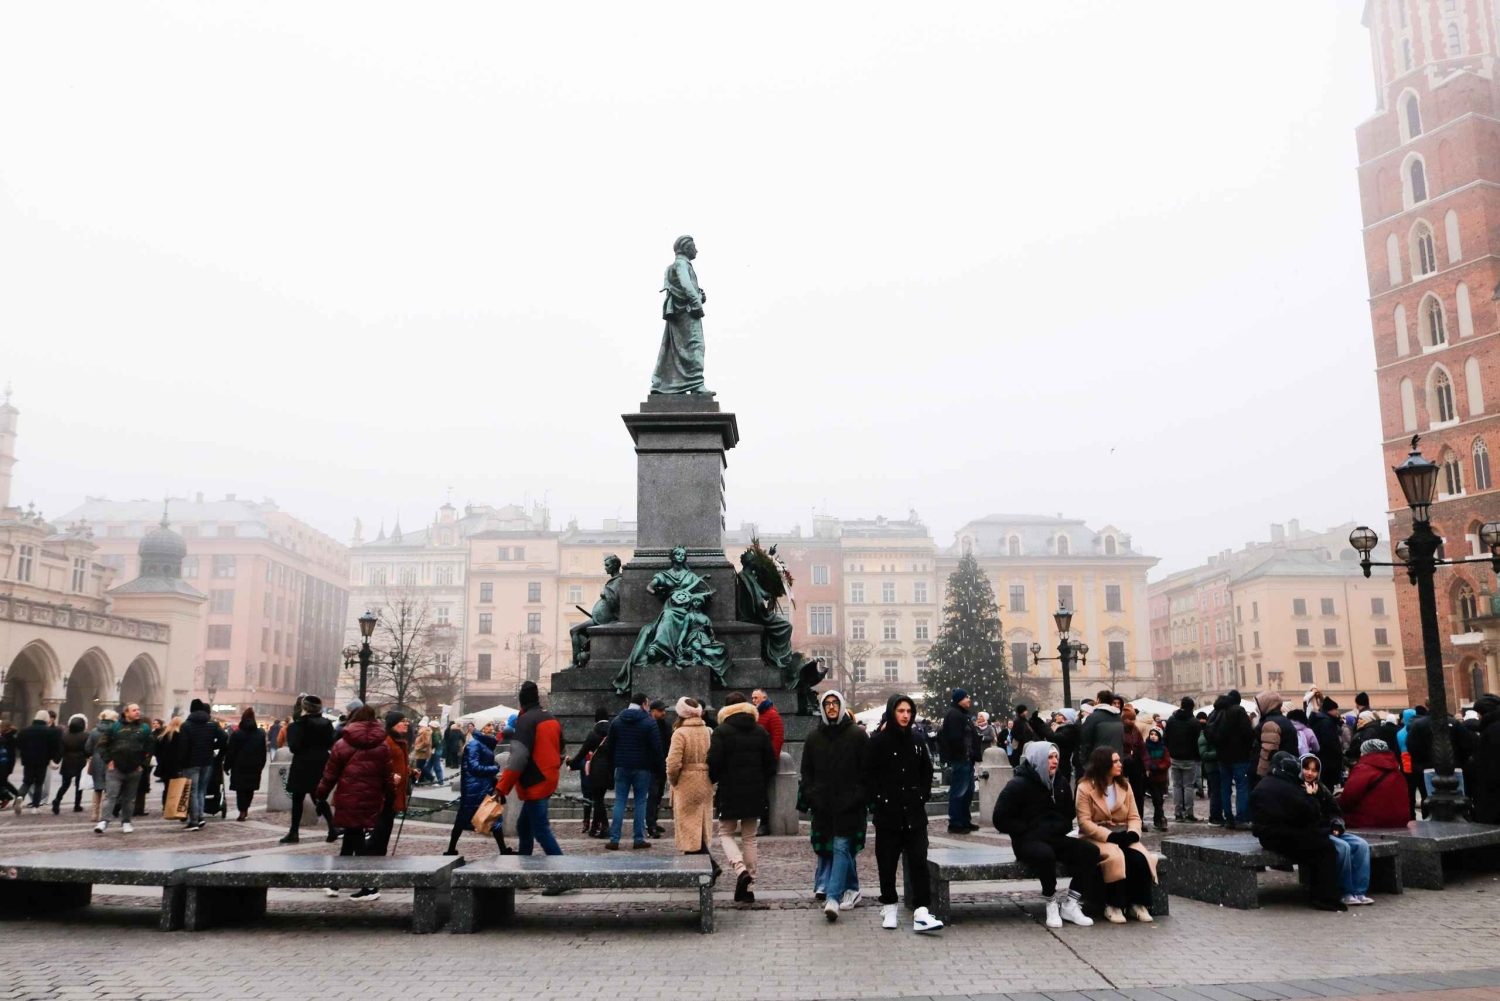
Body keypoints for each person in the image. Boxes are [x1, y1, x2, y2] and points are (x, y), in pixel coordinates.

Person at [862, 692, 944, 933]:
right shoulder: (877, 742)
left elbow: (926, 770)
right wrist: (876, 802)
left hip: (914, 813)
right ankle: (889, 905)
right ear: (892, 712)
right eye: (901, 711)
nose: (905, 715)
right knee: (887, 863)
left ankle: (921, 910)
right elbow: (868, 775)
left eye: (909, 711)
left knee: (919, 861)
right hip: (888, 813)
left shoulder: (917, 739)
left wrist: (922, 795)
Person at [994, 739, 1098, 928]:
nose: (1055, 761)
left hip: (1054, 838)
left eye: (1056, 757)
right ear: (1039, 760)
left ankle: (1071, 904)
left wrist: (1059, 827)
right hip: (1027, 841)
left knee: (1090, 851)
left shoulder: (1061, 782)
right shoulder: (1018, 784)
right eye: (1050, 757)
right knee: (1045, 855)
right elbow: (1000, 818)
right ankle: (1051, 902)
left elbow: (1068, 814)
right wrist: (1025, 830)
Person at [1249, 751, 1345, 911]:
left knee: (1318, 844)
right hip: (1286, 837)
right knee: (1325, 849)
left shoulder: (1263, 785)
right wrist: (1311, 796)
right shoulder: (1288, 787)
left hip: (1267, 837)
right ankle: (1325, 898)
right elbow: (1311, 812)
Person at [801, 689, 868, 921]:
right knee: (839, 850)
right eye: (827, 703)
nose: (831, 707)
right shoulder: (813, 737)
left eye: (835, 703)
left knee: (841, 847)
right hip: (823, 806)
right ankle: (854, 889)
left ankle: (832, 897)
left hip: (849, 805)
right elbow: (806, 771)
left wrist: (858, 795)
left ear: (841, 706)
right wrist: (812, 794)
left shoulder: (857, 735)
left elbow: (866, 770)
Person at [315, 705, 394, 900]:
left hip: (348, 797)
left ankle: (368, 887)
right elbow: (388, 776)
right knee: (352, 838)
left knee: (356, 841)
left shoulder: (342, 744)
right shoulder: (382, 745)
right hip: (372, 798)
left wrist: (321, 794)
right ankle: (338, 883)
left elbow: (330, 774)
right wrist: (390, 797)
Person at [1075, 747, 1158, 924]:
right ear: (1103, 764)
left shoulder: (1124, 786)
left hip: (1124, 833)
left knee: (1140, 857)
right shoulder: (1084, 787)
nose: (1120, 764)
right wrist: (1110, 837)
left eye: (1119, 760)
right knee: (1116, 857)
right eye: (1115, 761)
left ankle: (1138, 903)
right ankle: (1113, 904)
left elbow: (1134, 816)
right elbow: (1084, 822)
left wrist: (1133, 834)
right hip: (1097, 837)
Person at [710, 691, 776, 903]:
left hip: (729, 790)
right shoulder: (759, 730)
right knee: (749, 837)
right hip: (755, 791)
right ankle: (750, 886)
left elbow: (714, 763)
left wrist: (715, 779)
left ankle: (740, 870)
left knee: (725, 833)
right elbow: (770, 763)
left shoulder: (721, 731)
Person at [496, 680, 566, 859]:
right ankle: (525, 864)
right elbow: (562, 752)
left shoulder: (525, 721)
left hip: (535, 781)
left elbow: (517, 758)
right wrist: (551, 768)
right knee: (524, 826)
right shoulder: (551, 718)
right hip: (548, 777)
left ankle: (562, 870)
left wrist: (502, 787)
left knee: (541, 829)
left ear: (522, 701)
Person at [1300, 754, 1372, 906]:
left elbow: (1335, 811)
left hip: (1329, 829)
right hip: (1315, 832)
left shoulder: (1321, 787)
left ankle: (1359, 891)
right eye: (1306, 768)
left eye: (1314, 770)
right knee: (1343, 847)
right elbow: (1306, 815)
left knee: (1361, 845)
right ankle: (1345, 892)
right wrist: (1310, 796)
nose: (1310, 773)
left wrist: (1337, 825)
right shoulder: (1297, 788)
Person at [605, 692, 663, 850]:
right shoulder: (649, 722)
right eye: (647, 704)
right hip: (642, 767)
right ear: (644, 703)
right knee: (640, 802)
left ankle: (614, 839)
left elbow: (609, 746)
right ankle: (638, 839)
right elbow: (657, 748)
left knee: (619, 802)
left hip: (622, 766)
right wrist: (659, 769)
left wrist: (612, 765)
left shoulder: (617, 720)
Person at [445, 721, 509, 856]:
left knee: (492, 816)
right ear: (481, 728)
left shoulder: (483, 743)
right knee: (465, 818)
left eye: (492, 725)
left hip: (482, 785)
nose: (492, 728)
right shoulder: (474, 744)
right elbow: (474, 767)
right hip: (474, 788)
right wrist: (494, 768)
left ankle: (503, 848)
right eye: (488, 725)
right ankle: (451, 848)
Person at [664, 696, 715, 866]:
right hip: (705, 780)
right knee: (700, 824)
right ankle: (699, 866)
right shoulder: (707, 731)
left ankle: (709, 865)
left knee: (687, 825)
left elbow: (673, 763)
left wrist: (674, 780)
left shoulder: (680, 733)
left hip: (686, 780)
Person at [281, 695, 338, 844]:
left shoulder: (297, 725)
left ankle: (294, 832)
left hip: (302, 763)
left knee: (297, 799)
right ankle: (332, 828)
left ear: (304, 708)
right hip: (320, 762)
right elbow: (330, 743)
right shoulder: (326, 724)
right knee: (319, 797)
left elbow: (294, 747)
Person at [93, 703, 155, 834]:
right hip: (115, 768)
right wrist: (108, 761)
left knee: (129, 798)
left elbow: (150, 746)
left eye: (138, 710)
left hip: (134, 769)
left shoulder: (144, 728)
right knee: (110, 796)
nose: (137, 712)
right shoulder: (115, 727)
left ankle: (126, 822)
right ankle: (104, 821)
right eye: (134, 710)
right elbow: (102, 744)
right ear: (126, 713)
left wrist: (143, 763)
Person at [1339, 736, 1409, 829]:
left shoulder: (1363, 768)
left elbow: (1348, 798)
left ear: (1365, 753)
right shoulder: (1396, 770)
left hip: (1371, 821)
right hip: (1400, 821)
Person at [1208, 689, 1253, 828]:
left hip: (1222, 756)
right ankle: (1241, 818)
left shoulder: (1216, 711)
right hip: (1240, 756)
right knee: (1241, 787)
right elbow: (1248, 733)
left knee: (1225, 788)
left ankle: (1228, 818)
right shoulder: (1238, 711)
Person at [179, 698, 224, 831]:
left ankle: (194, 821)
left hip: (191, 762)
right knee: (201, 790)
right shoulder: (212, 724)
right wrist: (214, 747)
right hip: (207, 761)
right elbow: (224, 737)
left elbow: (182, 747)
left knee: (192, 791)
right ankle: (200, 816)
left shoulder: (186, 725)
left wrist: (180, 764)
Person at [938, 688, 979, 833]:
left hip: (966, 759)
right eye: (966, 697)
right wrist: (962, 754)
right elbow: (954, 738)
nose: (969, 699)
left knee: (968, 791)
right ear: (959, 699)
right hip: (961, 759)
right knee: (959, 792)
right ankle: (955, 822)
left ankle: (965, 820)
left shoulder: (961, 714)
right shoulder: (955, 715)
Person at [569, 705, 613, 837]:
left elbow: (582, 753)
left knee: (597, 800)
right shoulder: (613, 731)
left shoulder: (593, 733)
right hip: (610, 770)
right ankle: (594, 827)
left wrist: (571, 764)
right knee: (599, 798)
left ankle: (605, 827)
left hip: (596, 771)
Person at [13, 709, 62, 815]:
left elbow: (18, 744)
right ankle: (35, 807)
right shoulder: (49, 732)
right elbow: (54, 747)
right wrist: (52, 758)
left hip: (28, 760)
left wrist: (25, 752)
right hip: (42, 761)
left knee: (27, 781)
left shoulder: (25, 730)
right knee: (39, 783)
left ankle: (20, 796)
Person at [750, 688, 784, 836]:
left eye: (756, 698)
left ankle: (764, 824)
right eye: (752, 698)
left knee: (763, 794)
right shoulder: (755, 714)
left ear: (764, 698)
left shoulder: (772, 714)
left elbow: (778, 738)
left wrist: (771, 760)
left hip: (764, 761)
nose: (753, 700)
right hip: (754, 760)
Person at [223, 708, 267, 822]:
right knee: (250, 789)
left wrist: (227, 766)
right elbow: (263, 752)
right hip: (254, 766)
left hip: (239, 766)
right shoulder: (260, 734)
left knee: (240, 790)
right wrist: (261, 765)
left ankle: (242, 810)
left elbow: (231, 752)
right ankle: (245, 808)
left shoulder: (237, 734)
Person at [1163, 698, 1200, 823]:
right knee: (1188, 786)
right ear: (1192, 707)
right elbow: (1197, 741)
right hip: (1189, 758)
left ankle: (1178, 813)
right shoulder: (1194, 722)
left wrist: (1170, 751)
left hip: (1174, 757)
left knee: (1177, 786)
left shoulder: (1172, 720)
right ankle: (1189, 813)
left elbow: (1166, 738)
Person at [51, 714, 90, 814]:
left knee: (65, 784)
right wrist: (88, 756)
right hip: (80, 762)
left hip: (67, 761)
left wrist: (55, 761)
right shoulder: (86, 736)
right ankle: (77, 805)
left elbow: (61, 751)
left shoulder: (65, 735)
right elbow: (87, 749)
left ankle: (57, 800)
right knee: (79, 785)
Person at [1079, 690, 1125, 766]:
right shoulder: (1118, 718)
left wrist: (1085, 763)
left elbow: (1086, 742)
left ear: (1098, 700)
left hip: (1099, 762)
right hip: (1117, 760)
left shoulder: (1092, 718)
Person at [646, 699, 671, 839]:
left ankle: (653, 821)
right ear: (653, 711)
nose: (664, 713)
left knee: (659, 794)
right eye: (661, 710)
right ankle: (650, 824)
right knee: (653, 795)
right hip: (651, 766)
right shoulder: (648, 725)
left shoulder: (666, 725)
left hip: (663, 765)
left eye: (664, 710)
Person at [1308, 698, 1345, 790]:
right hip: (1328, 760)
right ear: (1330, 710)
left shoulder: (1321, 719)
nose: (1337, 712)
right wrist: (1339, 753)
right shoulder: (1326, 722)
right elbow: (1330, 742)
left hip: (1321, 758)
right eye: (1335, 709)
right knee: (1327, 785)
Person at [1119, 705, 1149, 818]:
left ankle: (1139, 818)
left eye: (1133, 719)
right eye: (1129, 719)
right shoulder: (1119, 730)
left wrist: (1146, 766)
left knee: (1138, 793)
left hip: (1136, 764)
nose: (1132, 721)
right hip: (1122, 763)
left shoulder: (1136, 731)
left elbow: (1142, 749)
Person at [1196, 713, 1223, 825]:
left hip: (1217, 766)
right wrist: (1219, 754)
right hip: (1212, 767)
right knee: (1215, 791)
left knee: (1217, 791)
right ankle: (1214, 817)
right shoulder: (1205, 734)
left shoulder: (1212, 733)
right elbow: (1204, 754)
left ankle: (1218, 815)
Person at [1143, 725, 1171, 831]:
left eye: (1155, 735)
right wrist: (1149, 767)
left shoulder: (1163, 748)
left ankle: (1157, 819)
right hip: (1151, 778)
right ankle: (1161, 819)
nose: (1153, 736)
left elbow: (1167, 762)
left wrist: (1158, 767)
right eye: (1151, 734)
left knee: (1160, 799)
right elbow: (1145, 759)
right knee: (1157, 799)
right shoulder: (1146, 747)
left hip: (1162, 778)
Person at [0, 721, 18, 808]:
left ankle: (11, 796)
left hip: (5, 763)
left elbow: (10, 753)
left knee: (3, 782)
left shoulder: (8, 737)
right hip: (6, 762)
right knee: (3, 782)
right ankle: (13, 796)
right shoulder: (8, 736)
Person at [411, 721, 433, 785]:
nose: (418, 727)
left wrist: (418, 747)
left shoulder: (425, 732)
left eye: (419, 726)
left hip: (422, 752)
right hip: (421, 752)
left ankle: (430, 777)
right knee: (420, 766)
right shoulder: (423, 732)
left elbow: (426, 742)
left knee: (420, 766)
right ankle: (421, 779)